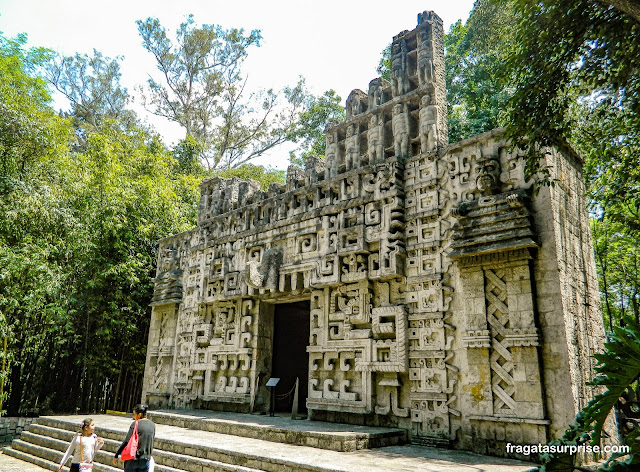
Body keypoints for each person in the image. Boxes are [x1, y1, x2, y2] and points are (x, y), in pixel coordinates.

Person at [113, 404, 156, 472]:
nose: (134, 417)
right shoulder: (152, 425)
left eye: (134, 414)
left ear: (139, 415)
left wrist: (116, 455)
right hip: (145, 459)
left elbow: (127, 441)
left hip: (133, 459)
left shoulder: (135, 423)